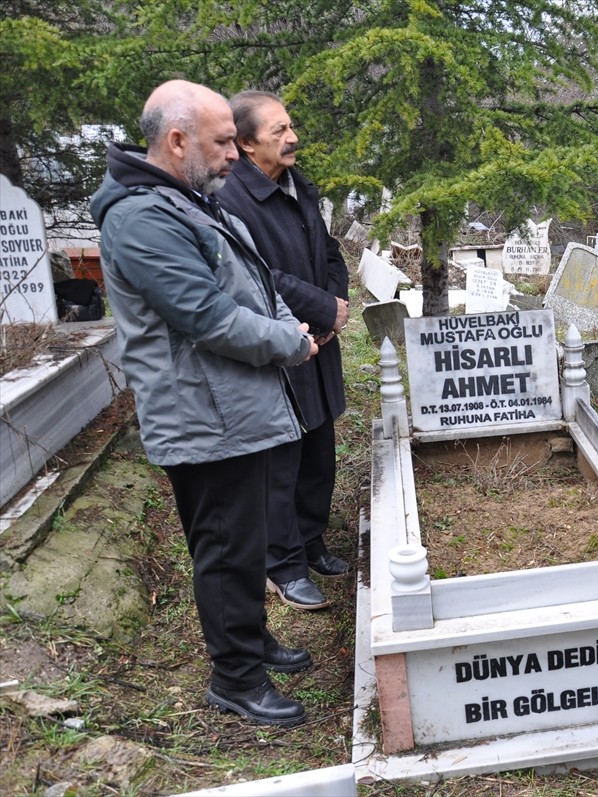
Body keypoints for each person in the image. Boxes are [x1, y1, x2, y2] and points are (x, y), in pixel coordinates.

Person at [90, 81, 318, 726]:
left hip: (235, 408)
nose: (234, 156)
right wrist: (288, 343)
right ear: (178, 140)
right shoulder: (143, 218)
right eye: (223, 142)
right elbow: (207, 316)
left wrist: (285, 327)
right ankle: (235, 678)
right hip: (202, 416)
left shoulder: (190, 201)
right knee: (225, 547)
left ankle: (251, 640)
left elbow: (257, 284)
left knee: (246, 540)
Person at [219, 91, 351, 611]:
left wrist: (336, 306)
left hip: (318, 338)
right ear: (248, 144)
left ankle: (312, 540)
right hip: (281, 342)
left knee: (319, 447)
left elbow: (331, 252)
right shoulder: (232, 200)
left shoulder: (298, 186)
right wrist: (320, 309)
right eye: (278, 131)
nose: (292, 137)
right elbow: (257, 277)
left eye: (290, 126)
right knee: (282, 460)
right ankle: (284, 563)